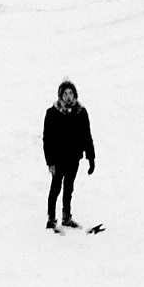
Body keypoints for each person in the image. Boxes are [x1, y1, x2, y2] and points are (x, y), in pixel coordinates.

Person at [42, 80, 95, 231]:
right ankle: (51, 219)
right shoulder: (52, 113)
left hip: (74, 158)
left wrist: (91, 158)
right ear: (60, 96)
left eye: (71, 93)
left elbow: (87, 136)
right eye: (65, 94)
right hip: (58, 159)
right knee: (55, 188)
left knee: (69, 188)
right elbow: (47, 140)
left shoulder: (81, 113)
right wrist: (50, 162)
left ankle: (67, 217)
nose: (68, 97)